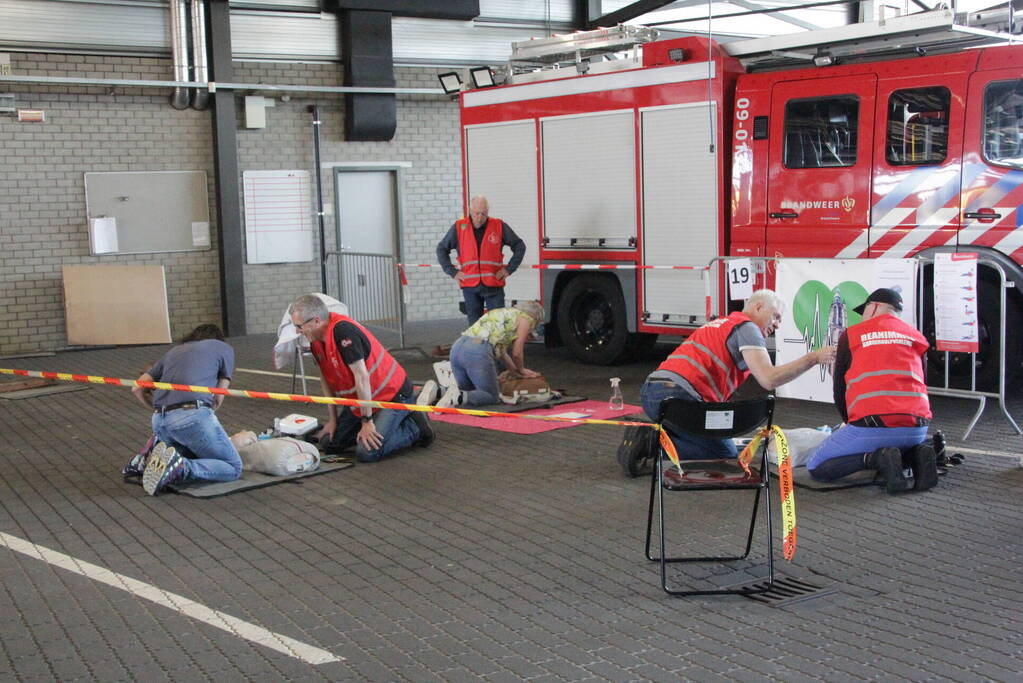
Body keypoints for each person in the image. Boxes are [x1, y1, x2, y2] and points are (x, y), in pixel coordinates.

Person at [640, 289, 836, 459]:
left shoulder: (723, 323)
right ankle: (653, 444)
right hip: (680, 397)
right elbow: (769, 379)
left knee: (708, 437)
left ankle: (661, 438)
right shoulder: (747, 327)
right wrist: (814, 358)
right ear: (758, 307)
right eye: (776, 316)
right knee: (724, 455)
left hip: (653, 391)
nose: (777, 325)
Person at [806, 288, 936, 493]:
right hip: (918, 428)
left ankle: (876, 458)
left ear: (873, 306)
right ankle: (917, 454)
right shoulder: (916, 336)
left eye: (864, 310)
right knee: (899, 442)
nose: (863, 316)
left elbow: (839, 389)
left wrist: (849, 424)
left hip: (871, 426)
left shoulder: (852, 335)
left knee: (816, 465)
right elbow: (923, 383)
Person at [289, 294, 433, 462]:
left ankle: (415, 427)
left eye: (299, 326)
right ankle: (381, 426)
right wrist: (333, 420)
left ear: (316, 321)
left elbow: (362, 377)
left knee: (366, 453)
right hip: (361, 401)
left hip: (392, 397)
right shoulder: (314, 341)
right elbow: (325, 379)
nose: (297, 331)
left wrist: (367, 421)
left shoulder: (344, 333)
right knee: (329, 443)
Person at [132, 324, 242, 496]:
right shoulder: (223, 348)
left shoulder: (174, 351)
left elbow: (137, 387)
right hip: (191, 414)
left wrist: (154, 408)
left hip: (159, 421)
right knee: (232, 467)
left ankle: (150, 460)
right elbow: (218, 398)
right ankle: (181, 467)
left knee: (191, 451)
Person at [422, 301, 544, 408]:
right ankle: (453, 395)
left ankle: (438, 391)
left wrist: (514, 371)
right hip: (477, 350)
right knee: (490, 396)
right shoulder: (526, 319)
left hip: (458, 347)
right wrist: (522, 369)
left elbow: (501, 353)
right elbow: (517, 352)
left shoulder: (502, 313)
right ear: (535, 318)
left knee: (467, 392)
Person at [436, 195, 527, 325]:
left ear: (488, 211)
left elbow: (519, 246)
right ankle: (478, 345)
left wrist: (509, 269)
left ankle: (495, 346)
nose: (480, 217)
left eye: (483, 214)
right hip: (470, 287)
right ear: (470, 211)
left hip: (493, 286)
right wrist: (452, 272)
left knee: (497, 327)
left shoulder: (498, 226)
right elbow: (441, 249)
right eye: (477, 213)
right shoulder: (459, 227)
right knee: (475, 329)